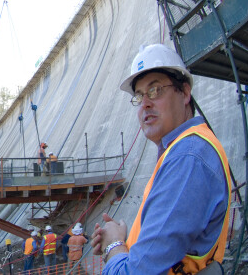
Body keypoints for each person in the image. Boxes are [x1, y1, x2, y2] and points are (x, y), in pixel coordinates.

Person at [91, 44, 231, 274]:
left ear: (185, 93)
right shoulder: (179, 152)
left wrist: (114, 246)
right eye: (139, 96)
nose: (145, 102)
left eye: (155, 90)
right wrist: (126, 239)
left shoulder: (187, 158)